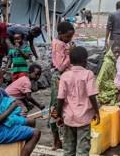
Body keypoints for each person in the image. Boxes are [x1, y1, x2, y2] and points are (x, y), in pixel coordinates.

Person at [0, 67, 40, 155]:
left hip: (3, 123)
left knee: (31, 121)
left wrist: (21, 109)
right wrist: (12, 108)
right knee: (36, 133)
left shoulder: (1, 91)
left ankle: (22, 149)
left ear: (2, 79)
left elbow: (13, 101)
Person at [56, 46, 99, 156]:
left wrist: (58, 115)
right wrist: (97, 112)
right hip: (83, 118)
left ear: (70, 61)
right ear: (85, 60)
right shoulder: (88, 74)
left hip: (68, 117)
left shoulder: (64, 76)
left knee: (68, 149)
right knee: (82, 150)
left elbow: (60, 98)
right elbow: (92, 96)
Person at [49, 22, 75, 150]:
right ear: (60, 34)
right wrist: (70, 54)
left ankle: (62, 139)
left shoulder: (63, 43)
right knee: (56, 107)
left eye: (71, 37)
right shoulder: (58, 45)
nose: (69, 40)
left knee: (65, 106)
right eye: (67, 37)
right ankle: (56, 140)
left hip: (66, 78)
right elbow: (60, 67)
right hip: (59, 79)